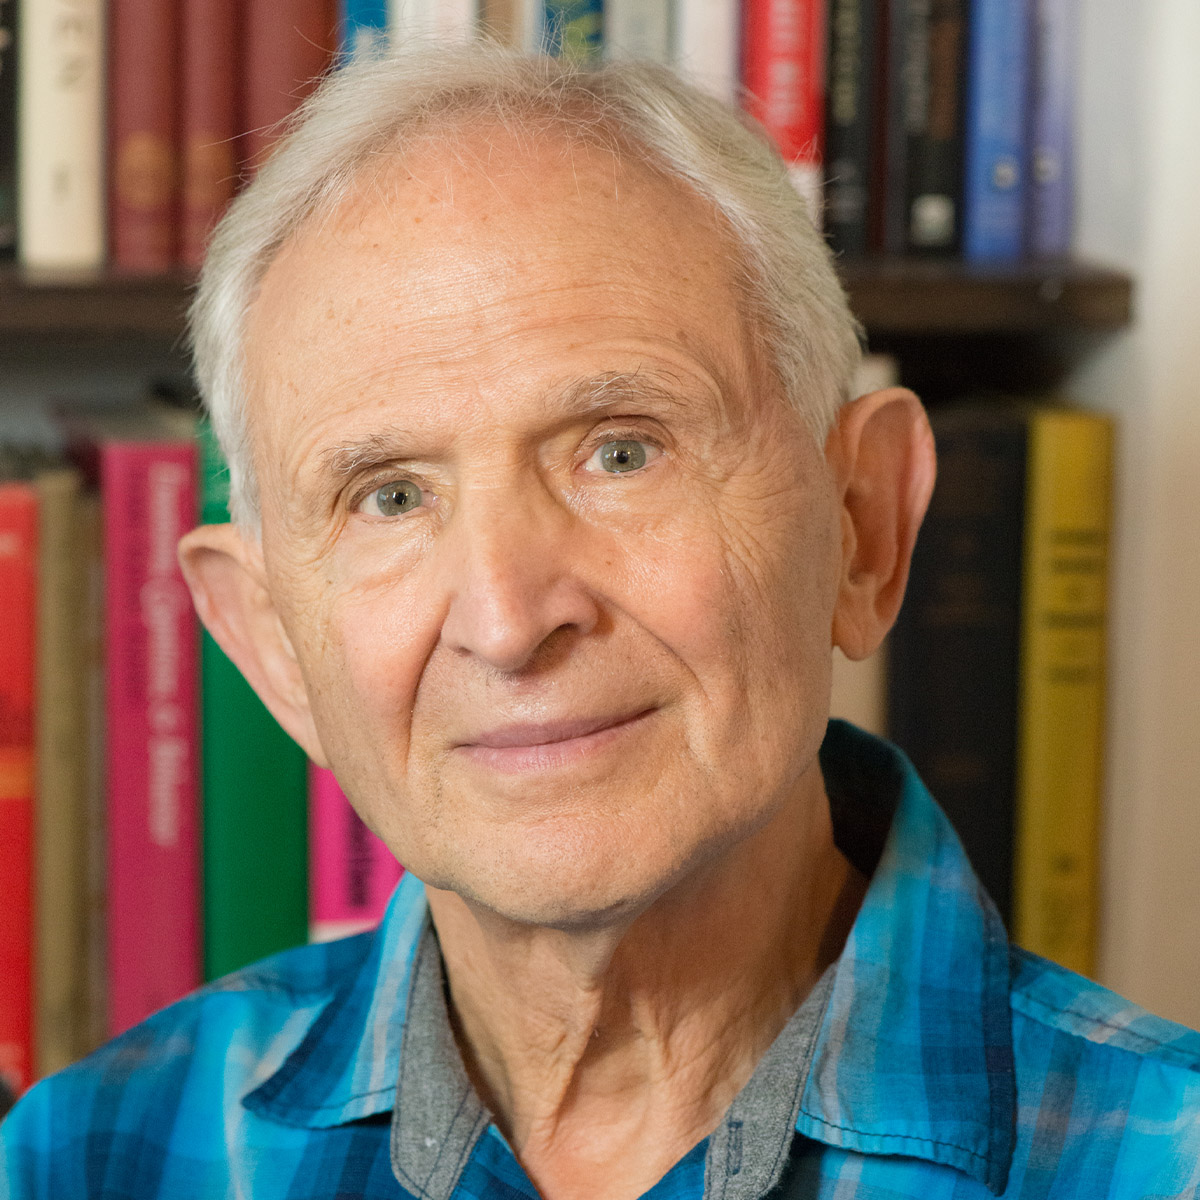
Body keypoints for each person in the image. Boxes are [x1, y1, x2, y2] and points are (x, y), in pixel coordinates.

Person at [3, 45, 1199, 1200]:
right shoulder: (85, 1162)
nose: (510, 619)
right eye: (392, 495)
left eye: (621, 451)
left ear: (862, 527)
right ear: (270, 645)